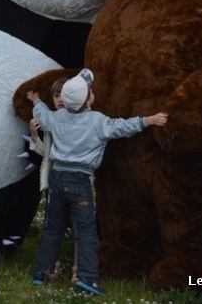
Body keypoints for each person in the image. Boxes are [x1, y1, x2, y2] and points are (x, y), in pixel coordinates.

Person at [27, 69, 167, 296]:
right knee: (86, 232)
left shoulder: (57, 117)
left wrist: (36, 101)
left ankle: (40, 273)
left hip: (58, 177)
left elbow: (42, 115)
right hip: (79, 180)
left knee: (53, 228)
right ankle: (87, 278)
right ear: (88, 100)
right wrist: (148, 120)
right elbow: (123, 126)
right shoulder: (98, 121)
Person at [28, 78, 80, 283]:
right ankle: (52, 265)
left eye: (64, 96)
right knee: (53, 225)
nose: (60, 100)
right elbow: (47, 154)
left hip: (77, 181)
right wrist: (35, 135)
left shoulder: (81, 119)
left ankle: (77, 268)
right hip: (55, 181)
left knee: (78, 226)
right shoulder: (51, 122)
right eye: (56, 96)